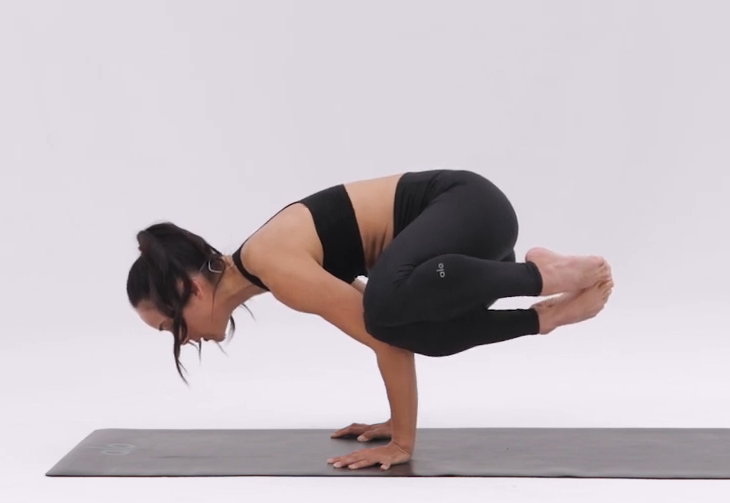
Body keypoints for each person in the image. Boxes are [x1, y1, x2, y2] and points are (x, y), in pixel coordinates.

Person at [126, 169, 614, 471]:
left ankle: (536, 275)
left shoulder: (272, 262)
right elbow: (394, 334)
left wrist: (403, 441)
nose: (181, 339)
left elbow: (380, 335)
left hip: (470, 207)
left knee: (386, 311)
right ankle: (546, 316)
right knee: (412, 326)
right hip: (461, 256)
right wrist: (394, 422)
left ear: (188, 290)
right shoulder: (269, 273)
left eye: (171, 327)